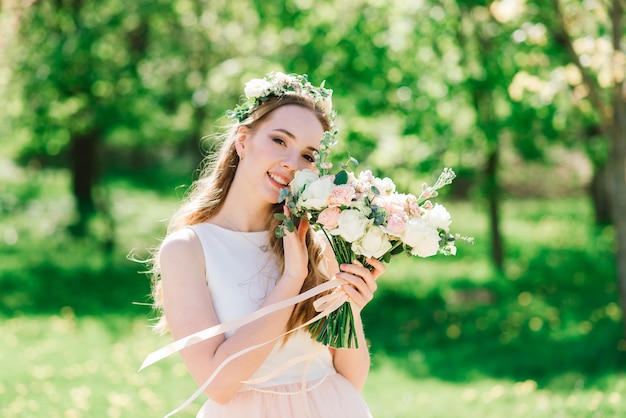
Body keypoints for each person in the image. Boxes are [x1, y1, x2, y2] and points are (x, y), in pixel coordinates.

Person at [149, 72, 385, 417]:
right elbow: (219, 385)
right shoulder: (188, 249)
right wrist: (292, 278)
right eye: (279, 141)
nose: (291, 164)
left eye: (308, 155)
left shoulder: (319, 241)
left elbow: (350, 381)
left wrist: (350, 309)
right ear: (242, 141)